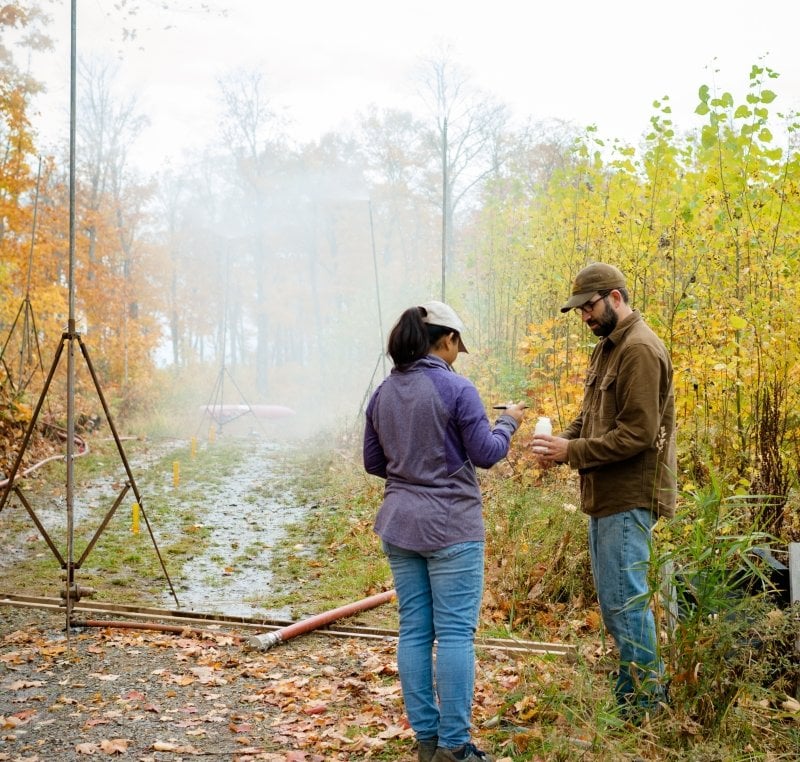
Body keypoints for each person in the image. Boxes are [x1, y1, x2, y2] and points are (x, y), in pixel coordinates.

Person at [363, 301, 525, 762]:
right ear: (447, 339)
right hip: (452, 526)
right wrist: (509, 421)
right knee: (454, 633)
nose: (459, 353)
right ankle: (455, 747)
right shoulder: (457, 388)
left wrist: (410, 470)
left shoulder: (382, 393)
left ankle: (427, 743)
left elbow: (374, 463)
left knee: (414, 630)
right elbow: (488, 453)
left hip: (399, 524)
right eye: (458, 345)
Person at [532, 262, 676, 719]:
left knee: (626, 603)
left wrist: (571, 450)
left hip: (630, 494)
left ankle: (644, 706)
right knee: (616, 602)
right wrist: (560, 444)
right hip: (605, 492)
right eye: (578, 310)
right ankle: (634, 694)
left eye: (589, 307)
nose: (584, 317)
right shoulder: (608, 348)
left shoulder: (639, 350)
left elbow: (637, 433)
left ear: (615, 297)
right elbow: (589, 414)